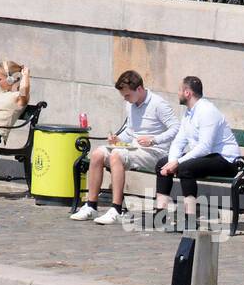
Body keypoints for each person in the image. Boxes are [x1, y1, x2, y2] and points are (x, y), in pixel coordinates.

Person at [71, 70, 179, 225]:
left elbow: (176, 128)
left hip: (156, 152)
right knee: (97, 154)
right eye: (124, 96)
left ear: (139, 89)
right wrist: (118, 139)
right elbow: (131, 131)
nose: (126, 99)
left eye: (127, 95)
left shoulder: (158, 104)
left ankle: (117, 209)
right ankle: (91, 205)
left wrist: (153, 140)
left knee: (116, 155)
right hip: (135, 148)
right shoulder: (131, 104)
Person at [155, 75, 241, 231]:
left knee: (185, 168)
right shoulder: (188, 113)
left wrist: (178, 163)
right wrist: (171, 161)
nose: (178, 93)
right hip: (207, 157)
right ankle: (160, 215)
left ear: (187, 92)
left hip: (226, 160)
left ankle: (190, 219)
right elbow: (179, 141)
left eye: (180, 90)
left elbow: (205, 147)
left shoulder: (207, 111)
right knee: (162, 163)